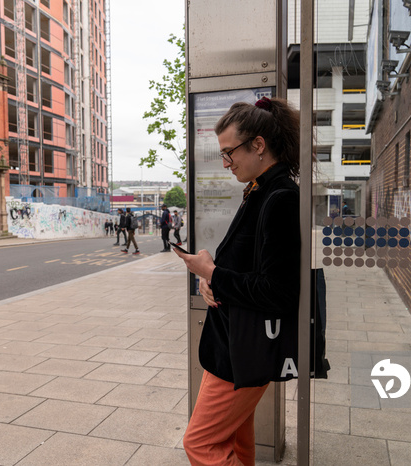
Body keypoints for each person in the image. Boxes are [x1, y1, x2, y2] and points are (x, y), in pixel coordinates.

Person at [173, 97, 301, 465]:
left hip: (242, 349)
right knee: (236, 440)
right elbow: (249, 268)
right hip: (233, 343)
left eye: (229, 153)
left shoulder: (279, 198)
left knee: (201, 444)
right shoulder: (261, 189)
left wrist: (211, 273)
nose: (227, 163)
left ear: (258, 145)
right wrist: (212, 275)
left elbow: (278, 292)